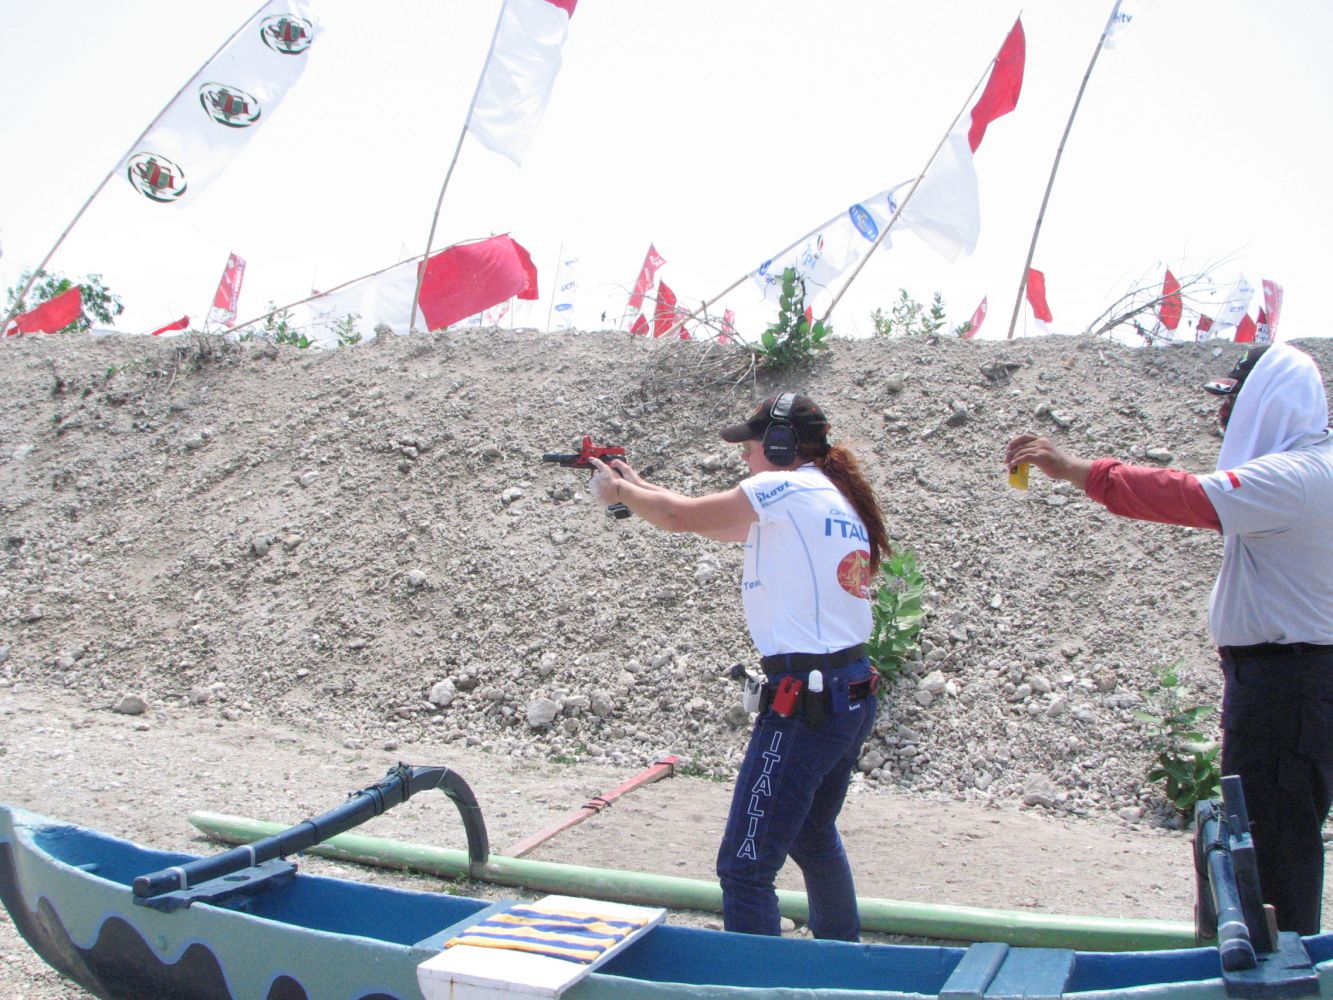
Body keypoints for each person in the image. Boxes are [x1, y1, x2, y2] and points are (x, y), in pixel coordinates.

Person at [1004, 342, 1333, 934]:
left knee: (1273, 854)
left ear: (1265, 403)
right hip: (1289, 685)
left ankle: (1282, 971)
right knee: (1262, 843)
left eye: (1233, 402)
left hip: (1286, 690)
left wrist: (1076, 469)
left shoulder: (1296, 478)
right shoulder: (1312, 470)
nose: (1223, 415)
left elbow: (1185, 495)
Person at [586, 392, 889, 939]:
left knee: (744, 868)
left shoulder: (787, 489)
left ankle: (753, 978)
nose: (744, 455)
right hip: (847, 691)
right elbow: (708, 521)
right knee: (812, 834)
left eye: (751, 444)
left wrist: (617, 492)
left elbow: (680, 516)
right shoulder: (827, 495)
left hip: (809, 700)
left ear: (781, 444)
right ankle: (841, 963)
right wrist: (636, 485)